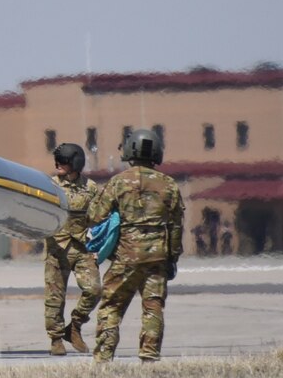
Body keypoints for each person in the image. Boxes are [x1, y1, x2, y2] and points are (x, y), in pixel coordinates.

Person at [86, 129, 185, 363]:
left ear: (130, 150)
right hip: (157, 259)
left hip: (125, 258)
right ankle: (149, 356)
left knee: (111, 306)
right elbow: (176, 227)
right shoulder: (169, 185)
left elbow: (96, 215)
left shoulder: (118, 182)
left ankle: (103, 357)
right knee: (153, 309)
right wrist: (172, 259)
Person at [43, 141, 100, 354]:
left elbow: (99, 217)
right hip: (57, 247)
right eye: (57, 160)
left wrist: (99, 245)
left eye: (63, 161)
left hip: (83, 247)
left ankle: (74, 326)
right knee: (54, 297)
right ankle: (56, 338)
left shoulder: (91, 188)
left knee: (94, 290)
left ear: (75, 163)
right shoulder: (49, 186)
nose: (58, 164)